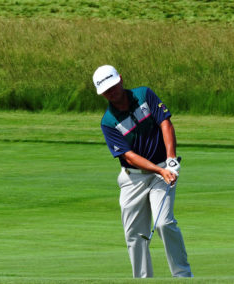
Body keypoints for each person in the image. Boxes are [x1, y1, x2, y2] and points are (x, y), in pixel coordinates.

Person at [92, 65, 193, 278]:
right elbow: (128, 156)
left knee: (164, 223)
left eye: (113, 86)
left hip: (162, 169)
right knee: (135, 235)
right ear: (101, 94)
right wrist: (159, 169)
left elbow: (165, 123)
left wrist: (171, 159)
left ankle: (183, 276)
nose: (112, 92)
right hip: (133, 179)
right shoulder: (108, 122)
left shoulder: (144, 95)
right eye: (106, 91)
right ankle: (143, 280)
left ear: (120, 79)